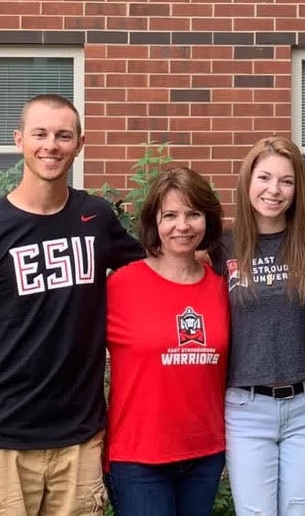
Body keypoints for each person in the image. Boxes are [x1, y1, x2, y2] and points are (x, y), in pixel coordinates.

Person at [0, 94, 144, 515]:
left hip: (80, 439)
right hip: (3, 440)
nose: (51, 145)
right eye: (40, 134)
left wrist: (205, 260)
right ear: (20, 140)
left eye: (63, 135)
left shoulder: (96, 217)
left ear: (80, 143)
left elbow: (155, 268)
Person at [212, 136, 305, 516]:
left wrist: (304, 349)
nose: (274, 190)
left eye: (286, 181)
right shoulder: (222, 248)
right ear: (248, 181)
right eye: (264, 178)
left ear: (298, 189)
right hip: (247, 407)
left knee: (300, 511)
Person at [104, 167, 229, 516]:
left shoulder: (222, 288)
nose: (183, 226)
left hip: (204, 453)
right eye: (170, 215)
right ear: (153, 222)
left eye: (193, 214)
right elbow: (73, 349)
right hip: (138, 457)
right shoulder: (121, 286)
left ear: (207, 220)